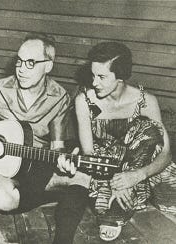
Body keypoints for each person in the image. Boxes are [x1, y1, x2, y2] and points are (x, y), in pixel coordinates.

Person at [0, 33, 91, 242]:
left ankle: (55, 200)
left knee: (83, 177)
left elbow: (57, 147)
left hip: (37, 162)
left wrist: (61, 161)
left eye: (31, 63)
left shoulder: (60, 97)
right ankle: (58, 191)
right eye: (19, 61)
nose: (21, 69)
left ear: (48, 65)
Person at [57, 41, 173, 242]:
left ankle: (134, 195)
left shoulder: (146, 101)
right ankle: (122, 204)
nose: (94, 83)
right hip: (104, 168)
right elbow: (90, 154)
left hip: (144, 165)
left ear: (120, 76)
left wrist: (136, 176)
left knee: (150, 131)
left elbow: (165, 154)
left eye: (102, 77)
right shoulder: (85, 101)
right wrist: (118, 182)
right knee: (109, 206)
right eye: (93, 75)